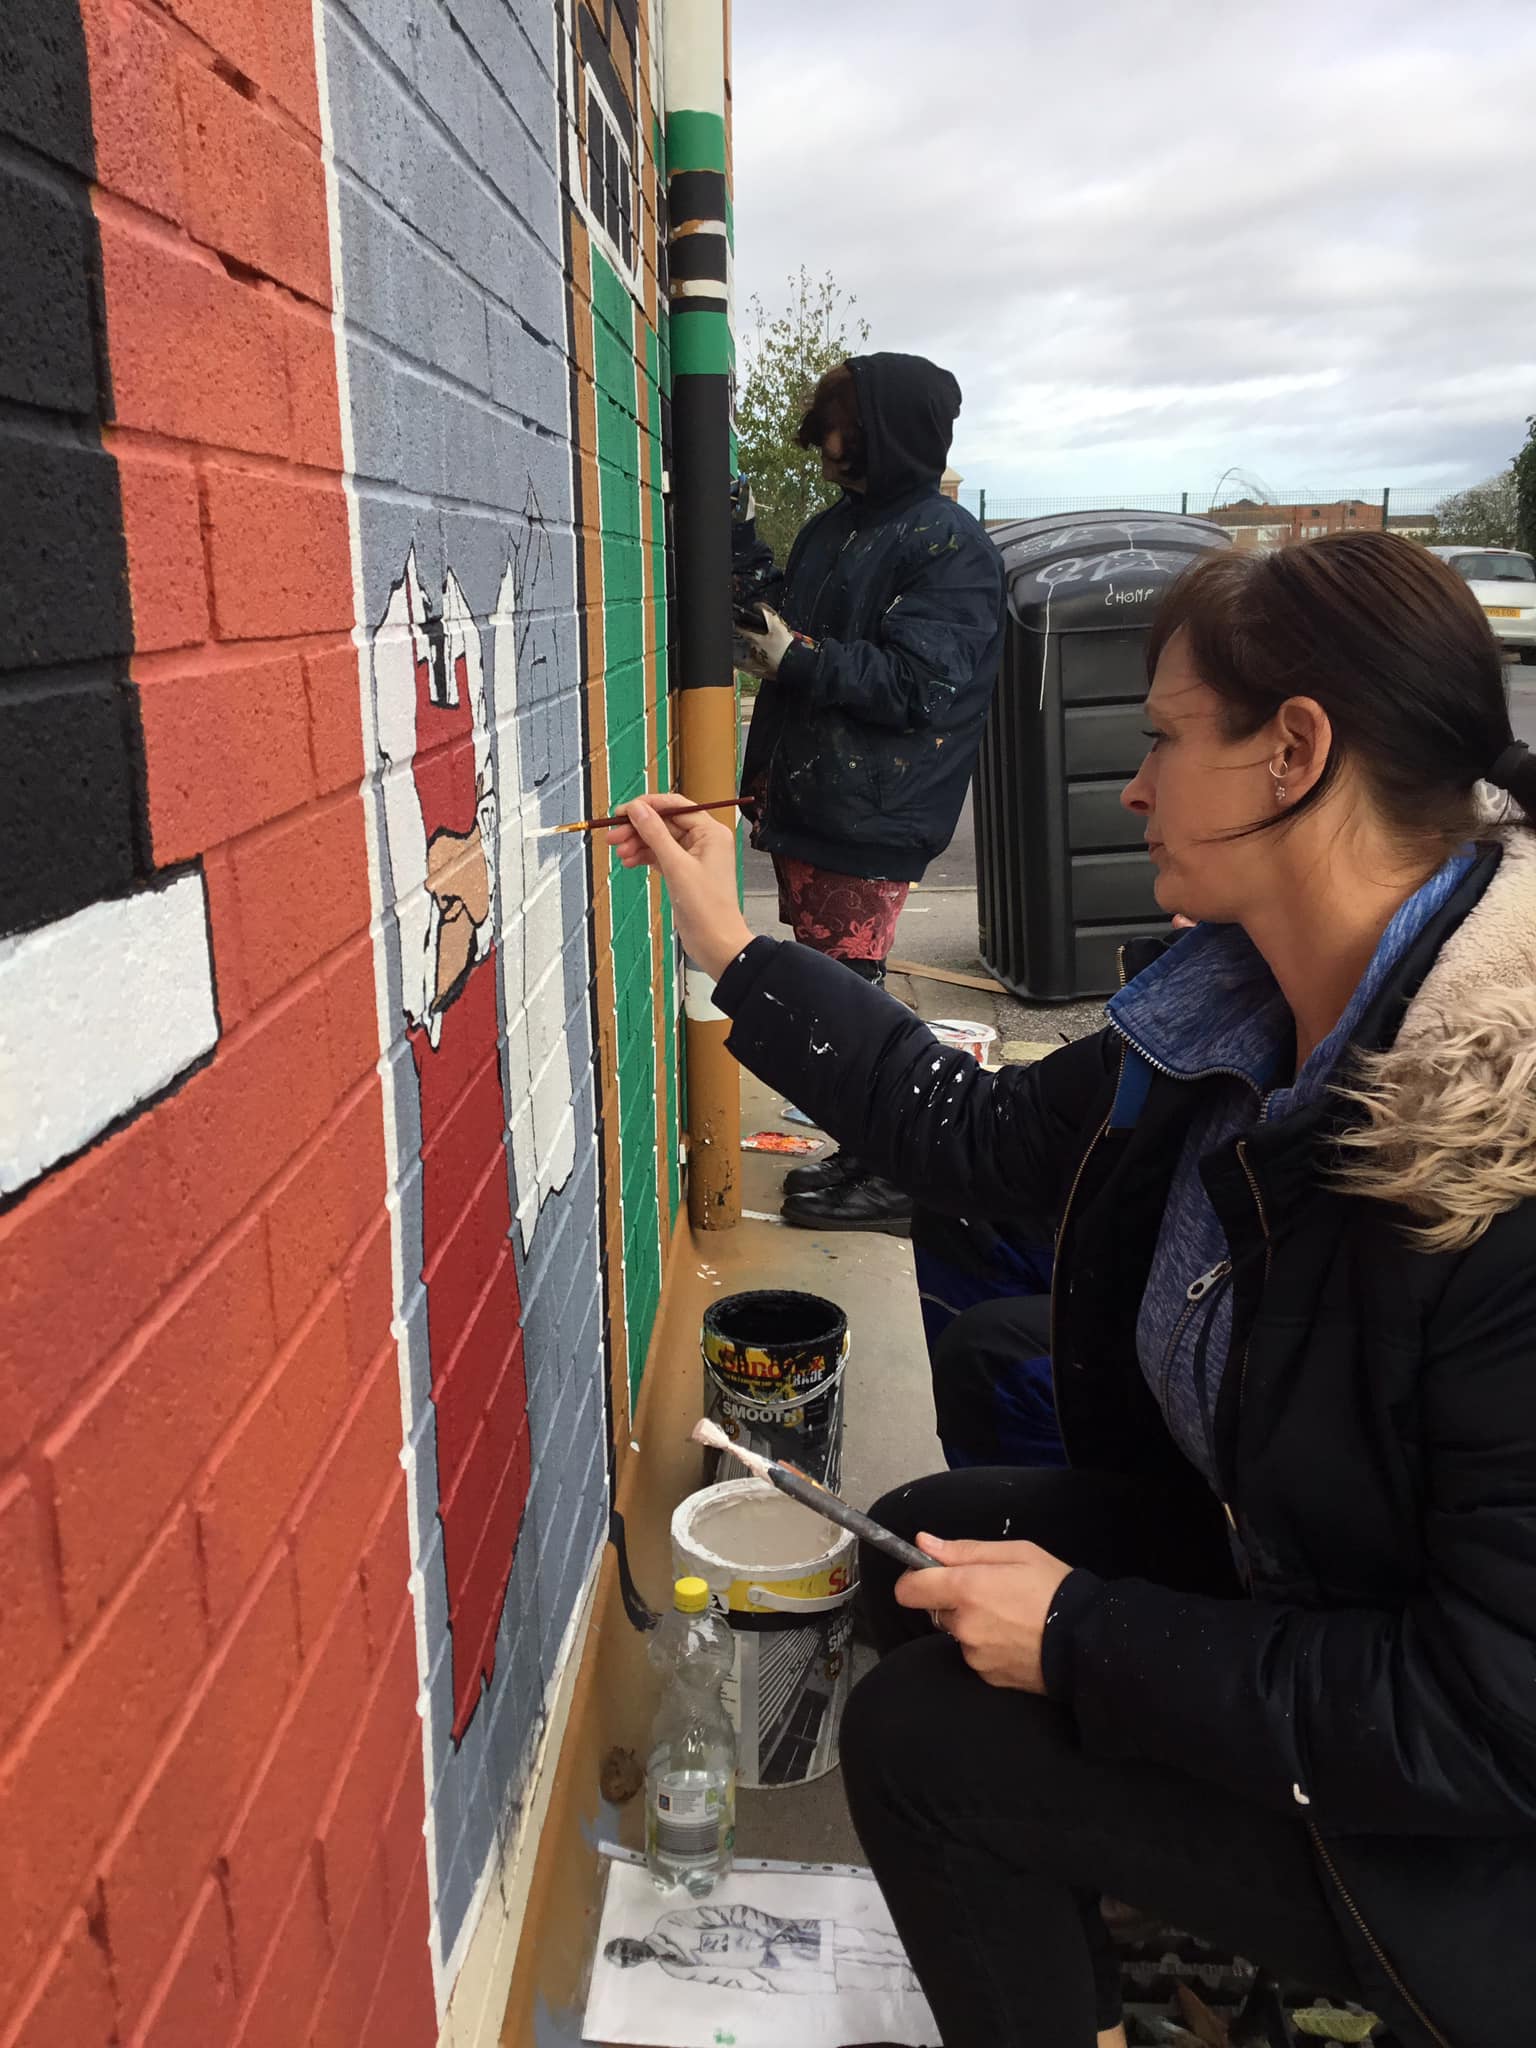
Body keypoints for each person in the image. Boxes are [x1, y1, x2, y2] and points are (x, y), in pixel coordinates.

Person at [610, 530, 1536, 2048]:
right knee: (922, 1544)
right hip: (1309, 1588)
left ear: (1294, 752)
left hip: (1463, 1853)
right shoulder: (1240, 999)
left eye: (1165, 740)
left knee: (916, 1738)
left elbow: (1491, 1719)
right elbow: (970, 1136)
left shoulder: (1500, 1158)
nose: (1132, 785)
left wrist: (1091, 1640)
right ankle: (1125, 1946)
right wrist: (728, 940)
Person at [731, 352, 1005, 1233]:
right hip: (817, 800)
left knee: (849, 1002)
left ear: (887, 432)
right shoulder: (836, 529)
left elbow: (920, 685)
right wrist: (742, 552)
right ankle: (875, 1155)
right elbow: (795, 619)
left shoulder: (949, 547)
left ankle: (895, 1169)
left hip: (870, 810)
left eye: (841, 428)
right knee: (841, 991)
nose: (827, 446)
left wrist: (797, 656)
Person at [604, 1904, 920, 1995]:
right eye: (627, 1961)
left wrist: (769, 1927)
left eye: (625, 1949)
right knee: (861, 1978)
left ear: (627, 1939)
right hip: (775, 1967)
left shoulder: (670, 1925)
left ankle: (919, 1953)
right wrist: (765, 1984)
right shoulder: (673, 1969)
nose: (632, 1956)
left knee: (863, 1943)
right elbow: (723, 1979)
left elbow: (728, 1914)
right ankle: (920, 1984)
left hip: (775, 1935)